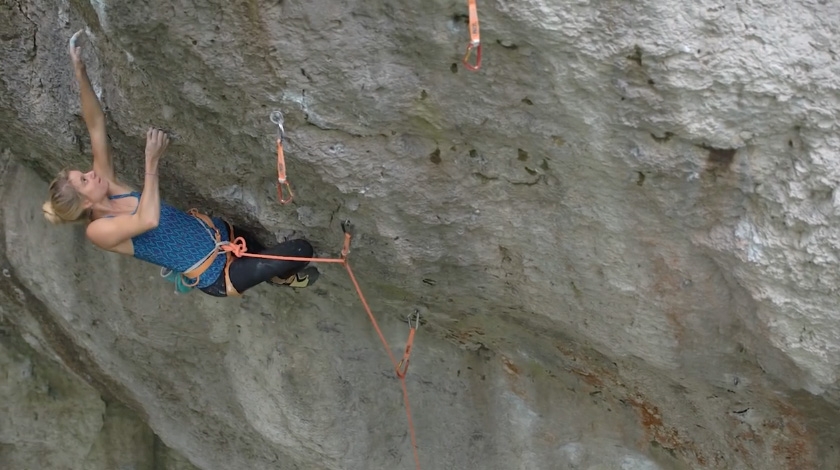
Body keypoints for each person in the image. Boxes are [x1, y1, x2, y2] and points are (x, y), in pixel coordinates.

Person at [42, 30, 319, 297]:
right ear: (86, 203)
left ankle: (280, 277)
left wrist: (80, 71)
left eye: (85, 173)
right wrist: (151, 162)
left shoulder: (108, 184)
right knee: (300, 251)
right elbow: (147, 219)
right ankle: (280, 276)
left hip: (224, 234)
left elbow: (96, 125)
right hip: (217, 276)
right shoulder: (99, 231)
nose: (92, 173)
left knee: (267, 256)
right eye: (85, 180)